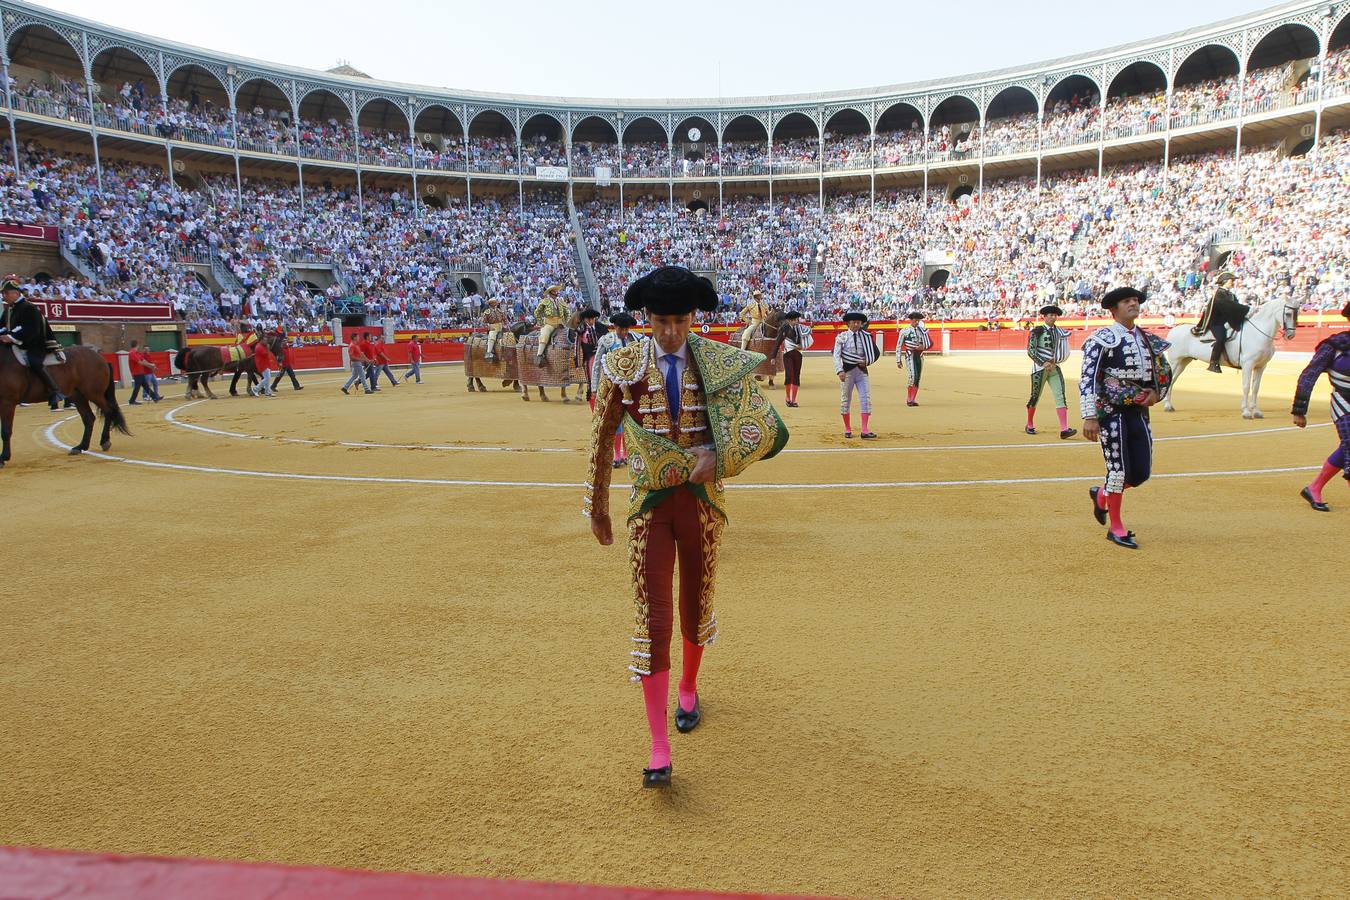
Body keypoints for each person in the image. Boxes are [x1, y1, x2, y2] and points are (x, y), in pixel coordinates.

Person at [584, 266, 788, 789]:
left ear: (692, 317)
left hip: (701, 504)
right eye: (661, 321)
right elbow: (602, 435)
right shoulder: (622, 363)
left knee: (697, 602)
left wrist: (718, 455)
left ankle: (690, 687)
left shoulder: (717, 362)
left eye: (679, 320)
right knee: (654, 618)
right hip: (649, 504)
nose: (670, 331)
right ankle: (658, 746)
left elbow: (768, 431)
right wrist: (598, 505)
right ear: (647, 318)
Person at [1080, 287, 1172, 549]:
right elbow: (1089, 378)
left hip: (1139, 411)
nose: (1133, 304)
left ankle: (1102, 494)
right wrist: (1090, 416)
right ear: (1114, 309)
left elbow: (1162, 371)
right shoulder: (1103, 338)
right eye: (1127, 301)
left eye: (1135, 300)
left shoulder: (1147, 338)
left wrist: (1156, 393)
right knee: (1118, 470)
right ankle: (1116, 527)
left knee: (1141, 472)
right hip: (1110, 411)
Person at [1292, 301, 1350, 511]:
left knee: (1346, 448)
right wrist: (1299, 410)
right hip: (1344, 402)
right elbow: (1309, 375)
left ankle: (1314, 487)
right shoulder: (1334, 346)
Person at [0, 274, 65, 408]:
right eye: (3, 294)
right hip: (16, 343)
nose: (3, 296)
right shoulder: (8, 310)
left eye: (5, 293)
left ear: (16, 293)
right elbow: (2, 326)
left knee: (34, 362)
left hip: (35, 343)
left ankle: (55, 390)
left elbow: (32, 330)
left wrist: (11, 337)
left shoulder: (28, 307)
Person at [591, 311, 639, 467]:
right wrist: (594, 386)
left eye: (626, 329)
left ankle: (626, 453)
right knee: (614, 420)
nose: (624, 332)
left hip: (632, 387)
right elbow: (597, 364)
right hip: (612, 386)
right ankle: (617, 454)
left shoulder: (636, 339)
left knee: (629, 420)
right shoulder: (606, 341)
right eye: (621, 329)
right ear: (615, 327)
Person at [1025, 304, 1076, 438]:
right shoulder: (1037, 331)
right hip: (1039, 368)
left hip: (1054, 367)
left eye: (1055, 315)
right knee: (1035, 396)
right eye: (1051, 315)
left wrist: (1055, 361)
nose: (1053, 317)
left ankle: (1064, 429)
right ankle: (1029, 424)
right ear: (1045, 317)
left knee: (1060, 396)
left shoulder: (1060, 331)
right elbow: (1031, 351)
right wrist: (1043, 362)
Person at [833, 311, 879, 438]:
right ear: (848, 323)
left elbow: (874, 353)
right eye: (853, 322)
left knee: (865, 399)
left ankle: (864, 429)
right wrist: (839, 370)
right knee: (845, 400)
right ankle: (847, 428)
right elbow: (836, 356)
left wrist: (868, 361)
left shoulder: (866, 337)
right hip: (847, 372)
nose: (856, 324)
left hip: (861, 372)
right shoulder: (842, 337)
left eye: (858, 323)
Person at [1193, 272, 1250, 373]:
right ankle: (1213, 362)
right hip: (1216, 323)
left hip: (1226, 321)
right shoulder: (1219, 293)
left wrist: (1245, 313)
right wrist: (1247, 309)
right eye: (1231, 280)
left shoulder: (1230, 294)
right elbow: (1228, 306)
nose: (1233, 282)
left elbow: (1235, 306)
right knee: (1221, 338)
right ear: (1224, 282)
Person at [771, 309, 812, 407]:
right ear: (789, 320)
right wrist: (773, 356)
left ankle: (793, 400)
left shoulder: (800, 328)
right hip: (788, 354)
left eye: (796, 320)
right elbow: (778, 342)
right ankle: (787, 397)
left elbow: (805, 339)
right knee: (789, 375)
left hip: (798, 354)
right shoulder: (784, 328)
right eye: (793, 320)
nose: (795, 322)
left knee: (796, 376)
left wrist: (802, 346)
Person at [896, 310, 933, 406]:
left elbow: (928, 342)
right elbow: (899, 346)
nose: (917, 322)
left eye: (918, 321)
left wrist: (923, 347)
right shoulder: (904, 331)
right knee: (912, 377)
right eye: (915, 320)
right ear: (911, 320)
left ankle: (913, 399)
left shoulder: (922, 330)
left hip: (919, 356)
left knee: (917, 378)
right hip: (910, 355)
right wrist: (898, 360)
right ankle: (909, 399)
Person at [573, 308, 604, 402]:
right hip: (589, 357)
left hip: (602, 357)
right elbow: (577, 346)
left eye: (592, 319)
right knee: (591, 377)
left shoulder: (602, 327)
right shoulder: (580, 330)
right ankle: (593, 397)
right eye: (588, 319)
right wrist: (578, 362)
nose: (590, 321)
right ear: (585, 319)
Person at [533, 285, 568, 365]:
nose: (556, 292)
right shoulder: (545, 301)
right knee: (545, 335)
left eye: (556, 291)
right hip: (549, 324)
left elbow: (567, 312)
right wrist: (541, 323)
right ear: (550, 293)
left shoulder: (560, 302)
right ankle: (539, 355)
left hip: (560, 324)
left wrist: (565, 322)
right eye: (554, 291)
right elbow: (537, 312)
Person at [127, 339, 161, 404]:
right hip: (137, 373)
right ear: (137, 345)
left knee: (146, 386)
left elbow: (143, 361)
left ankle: (154, 397)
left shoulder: (136, 353)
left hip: (140, 372)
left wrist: (152, 366)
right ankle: (132, 401)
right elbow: (140, 362)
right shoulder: (132, 353)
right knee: (137, 387)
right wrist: (151, 365)